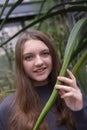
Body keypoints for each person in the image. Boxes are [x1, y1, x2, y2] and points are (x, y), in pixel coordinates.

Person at [0, 30, 87, 130]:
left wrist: (78, 112)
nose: (39, 62)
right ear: (20, 64)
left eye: (45, 53)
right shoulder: (7, 109)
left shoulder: (73, 95)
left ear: (53, 57)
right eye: (29, 57)